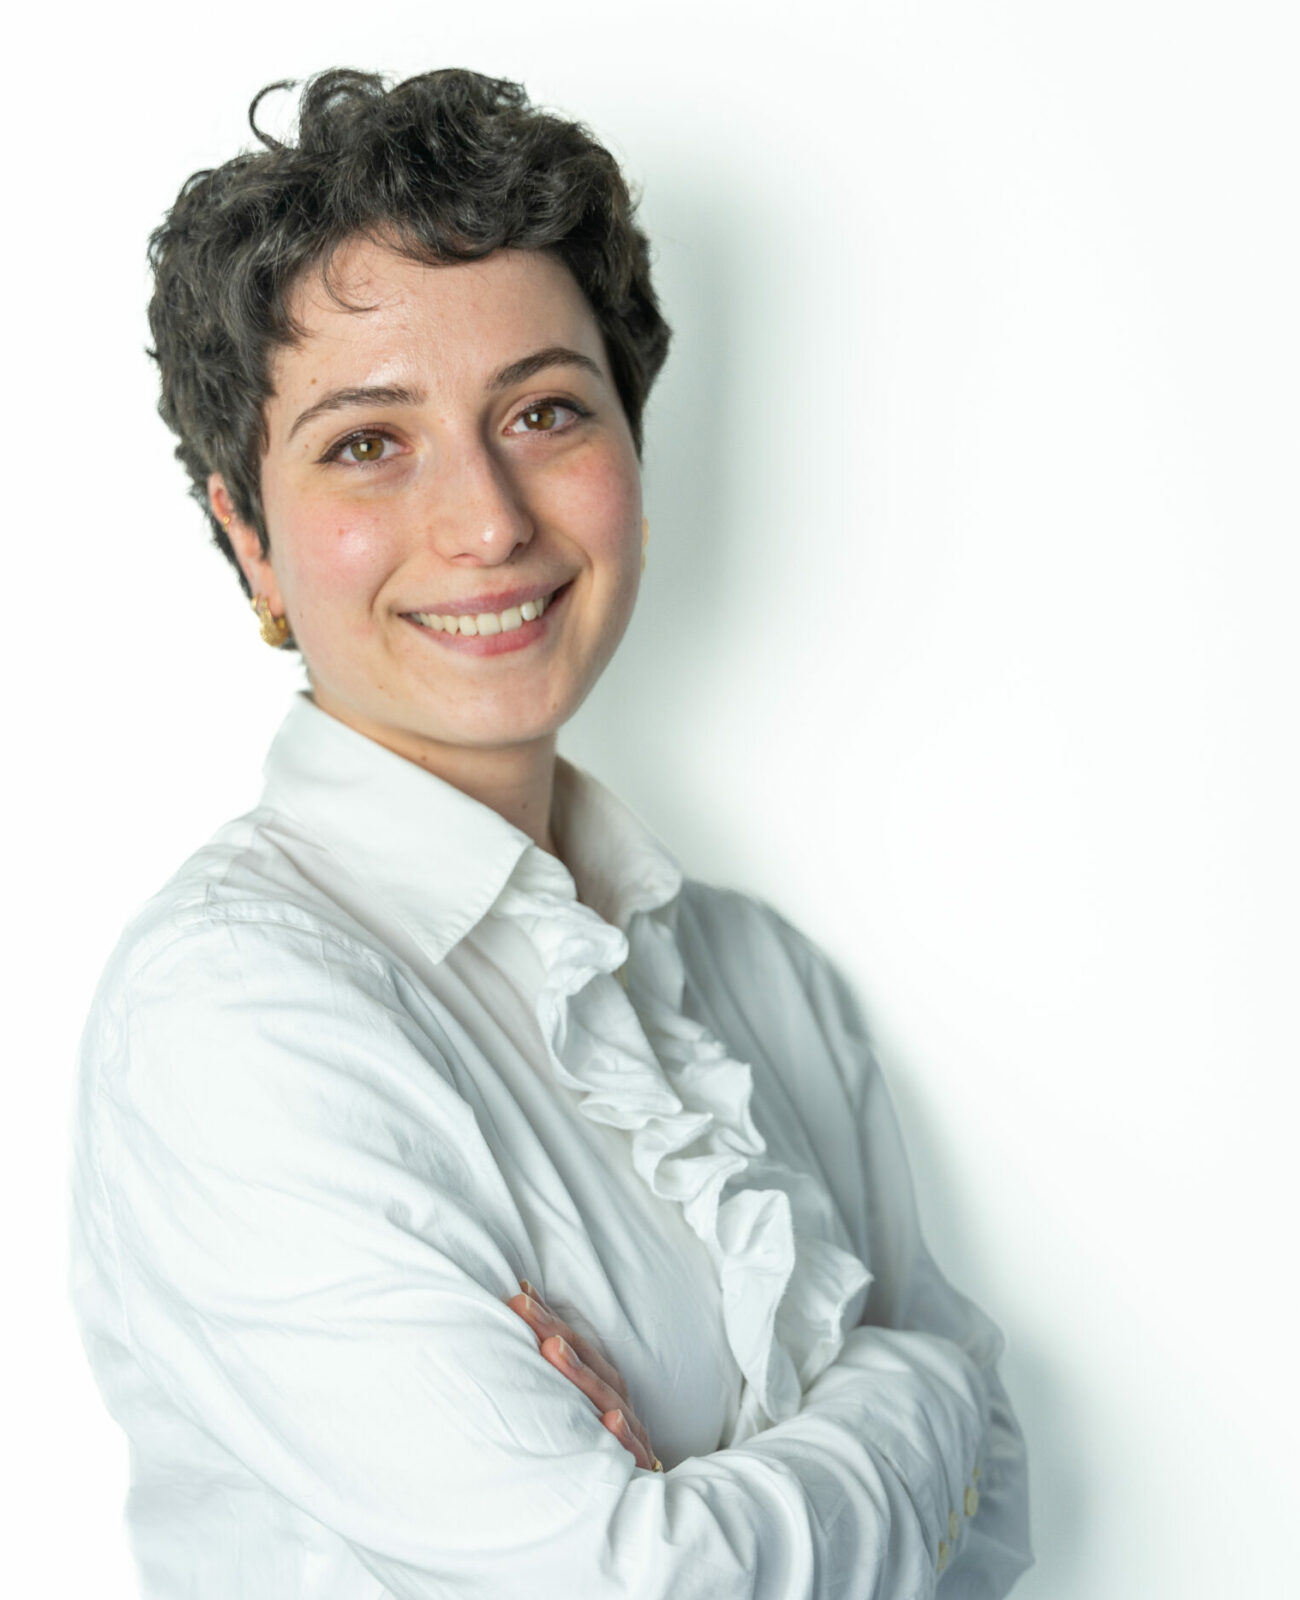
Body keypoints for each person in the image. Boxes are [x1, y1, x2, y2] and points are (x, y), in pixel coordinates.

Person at [70, 67, 1033, 1598]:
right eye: (368, 442)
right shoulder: (233, 1017)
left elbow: (997, 1523)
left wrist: (726, 1503)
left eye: (543, 411)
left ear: (632, 459)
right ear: (249, 536)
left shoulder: (764, 980)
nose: (490, 520)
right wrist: (920, 1390)